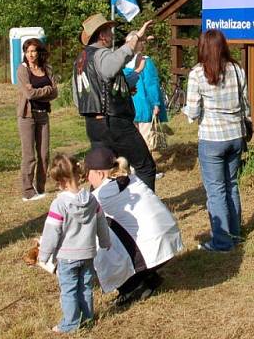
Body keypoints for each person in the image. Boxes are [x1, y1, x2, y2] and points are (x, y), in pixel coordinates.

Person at [85, 147, 183, 306]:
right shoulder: (133, 179)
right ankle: (147, 277)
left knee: (96, 240)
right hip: (170, 240)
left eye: (87, 173)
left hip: (154, 249)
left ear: (100, 173)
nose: (87, 179)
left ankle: (131, 286)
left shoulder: (100, 196)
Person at [72, 13, 158, 190]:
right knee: (145, 167)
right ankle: (146, 211)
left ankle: (101, 213)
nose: (112, 35)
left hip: (93, 125)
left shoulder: (80, 60)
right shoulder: (101, 54)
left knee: (102, 172)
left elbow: (78, 97)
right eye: (109, 31)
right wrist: (135, 39)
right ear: (102, 35)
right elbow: (111, 68)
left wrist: (133, 77)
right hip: (113, 122)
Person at [183, 29, 251, 252]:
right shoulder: (237, 69)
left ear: (202, 48)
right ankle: (235, 234)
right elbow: (245, 104)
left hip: (212, 138)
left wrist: (186, 109)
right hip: (235, 136)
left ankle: (222, 241)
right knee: (231, 185)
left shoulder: (197, 73)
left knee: (216, 190)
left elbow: (192, 112)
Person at [38, 154, 111, 333]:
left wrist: (44, 254)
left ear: (61, 181)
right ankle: (87, 318)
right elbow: (102, 222)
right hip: (88, 254)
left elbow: (52, 231)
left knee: (69, 290)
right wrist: (105, 240)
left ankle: (70, 324)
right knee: (85, 287)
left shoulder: (59, 204)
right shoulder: (92, 200)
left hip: (67, 256)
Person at [16, 38, 58, 201]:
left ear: (39, 52)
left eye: (33, 51)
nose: (30, 54)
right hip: (27, 115)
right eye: (27, 51)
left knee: (44, 154)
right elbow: (29, 94)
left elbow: (55, 93)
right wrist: (46, 90)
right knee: (29, 155)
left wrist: (43, 90)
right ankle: (27, 191)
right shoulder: (22, 70)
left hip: (43, 114)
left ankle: (40, 188)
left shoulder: (47, 68)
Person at [123, 32, 168, 154]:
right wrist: (156, 104)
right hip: (144, 105)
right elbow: (151, 84)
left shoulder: (122, 64)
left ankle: (133, 168)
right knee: (146, 140)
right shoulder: (146, 62)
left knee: (132, 139)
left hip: (127, 106)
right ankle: (147, 171)